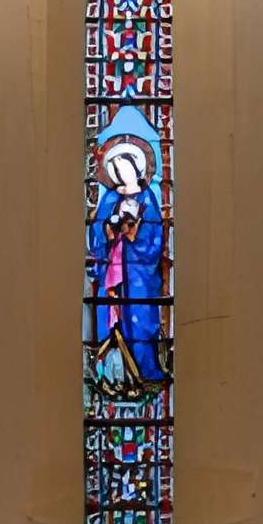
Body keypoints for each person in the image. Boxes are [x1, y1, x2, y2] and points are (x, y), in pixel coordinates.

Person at [88, 133, 168, 386]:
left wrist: (134, 233)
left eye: (124, 166)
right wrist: (109, 231)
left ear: (136, 167)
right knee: (110, 317)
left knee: (141, 319)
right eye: (114, 168)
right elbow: (96, 233)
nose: (119, 172)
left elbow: (155, 237)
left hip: (139, 275)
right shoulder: (110, 198)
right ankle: (112, 376)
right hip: (112, 269)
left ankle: (145, 371)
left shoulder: (148, 199)